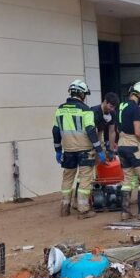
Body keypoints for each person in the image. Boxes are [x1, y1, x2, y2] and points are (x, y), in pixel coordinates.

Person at [52, 79, 106, 219]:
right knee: (84, 179)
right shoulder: (86, 110)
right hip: (85, 150)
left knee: (67, 179)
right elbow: (90, 130)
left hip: (68, 150)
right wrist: (99, 149)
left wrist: (58, 149)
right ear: (82, 94)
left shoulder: (60, 109)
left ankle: (64, 208)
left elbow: (56, 130)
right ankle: (83, 209)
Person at [117, 82, 140, 220]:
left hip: (122, 144)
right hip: (134, 145)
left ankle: (125, 212)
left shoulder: (122, 106)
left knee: (127, 179)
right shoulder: (135, 109)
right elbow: (138, 132)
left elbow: (117, 128)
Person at [92, 92, 120, 159]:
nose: (112, 109)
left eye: (114, 107)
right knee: (94, 158)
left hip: (100, 133)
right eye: (111, 106)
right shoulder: (94, 112)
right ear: (105, 102)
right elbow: (93, 132)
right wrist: (98, 149)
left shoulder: (112, 113)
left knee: (104, 158)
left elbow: (112, 131)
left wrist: (111, 150)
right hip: (91, 135)